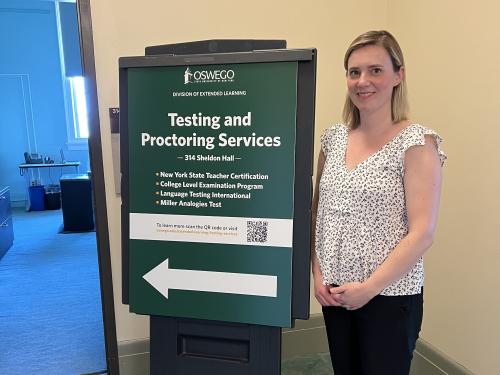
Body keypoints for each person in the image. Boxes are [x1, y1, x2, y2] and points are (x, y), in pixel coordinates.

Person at [311, 30, 446, 375]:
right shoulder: (333, 138)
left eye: (375, 70)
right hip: (337, 292)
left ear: (398, 75)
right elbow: (318, 212)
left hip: (389, 296)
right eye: (354, 72)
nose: (362, 81)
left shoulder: (417, 143)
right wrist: (318, 272)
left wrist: (368, 289)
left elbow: (422, 233)